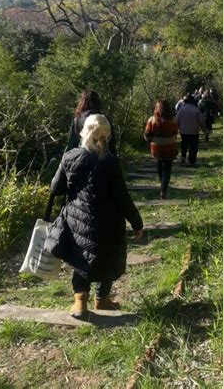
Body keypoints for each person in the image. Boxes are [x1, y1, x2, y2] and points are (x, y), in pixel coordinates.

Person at [45, 114, 143, 317]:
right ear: (107, 135)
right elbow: (122, 196)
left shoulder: (70, 157)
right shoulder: (110, 162)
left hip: (77, 220)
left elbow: (56, 188)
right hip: (109, 221)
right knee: (109, 257)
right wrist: (136, 221)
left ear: (83, 132)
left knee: (80, 259)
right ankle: (102, 299)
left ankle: (80, 302)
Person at [144, 100, 178, 199]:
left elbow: (147, 133)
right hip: (169, 146)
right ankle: (163, 189)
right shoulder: (173, 120)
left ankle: (162, 184)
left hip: (156, 147)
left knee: (160, 166)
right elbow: (175, 132)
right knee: (167, 168)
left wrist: (149, 141)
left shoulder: (152, 120)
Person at [66, 89, 117, 155]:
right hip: (103, 159)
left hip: (82, 158)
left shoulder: (77, 120)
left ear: (83, 102)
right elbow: (111, 145)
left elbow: (71, 144)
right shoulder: (104, 120)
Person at [176, 94, 205, 166]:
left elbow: (177, 120)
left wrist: (176, 129)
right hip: (194, 131)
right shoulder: (196, 110)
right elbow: (201, 121)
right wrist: (204, 129)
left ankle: (183, 158)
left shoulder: (181, 110)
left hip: (183, 131)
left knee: (184, 145)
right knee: (193, 146)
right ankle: (192, 160)